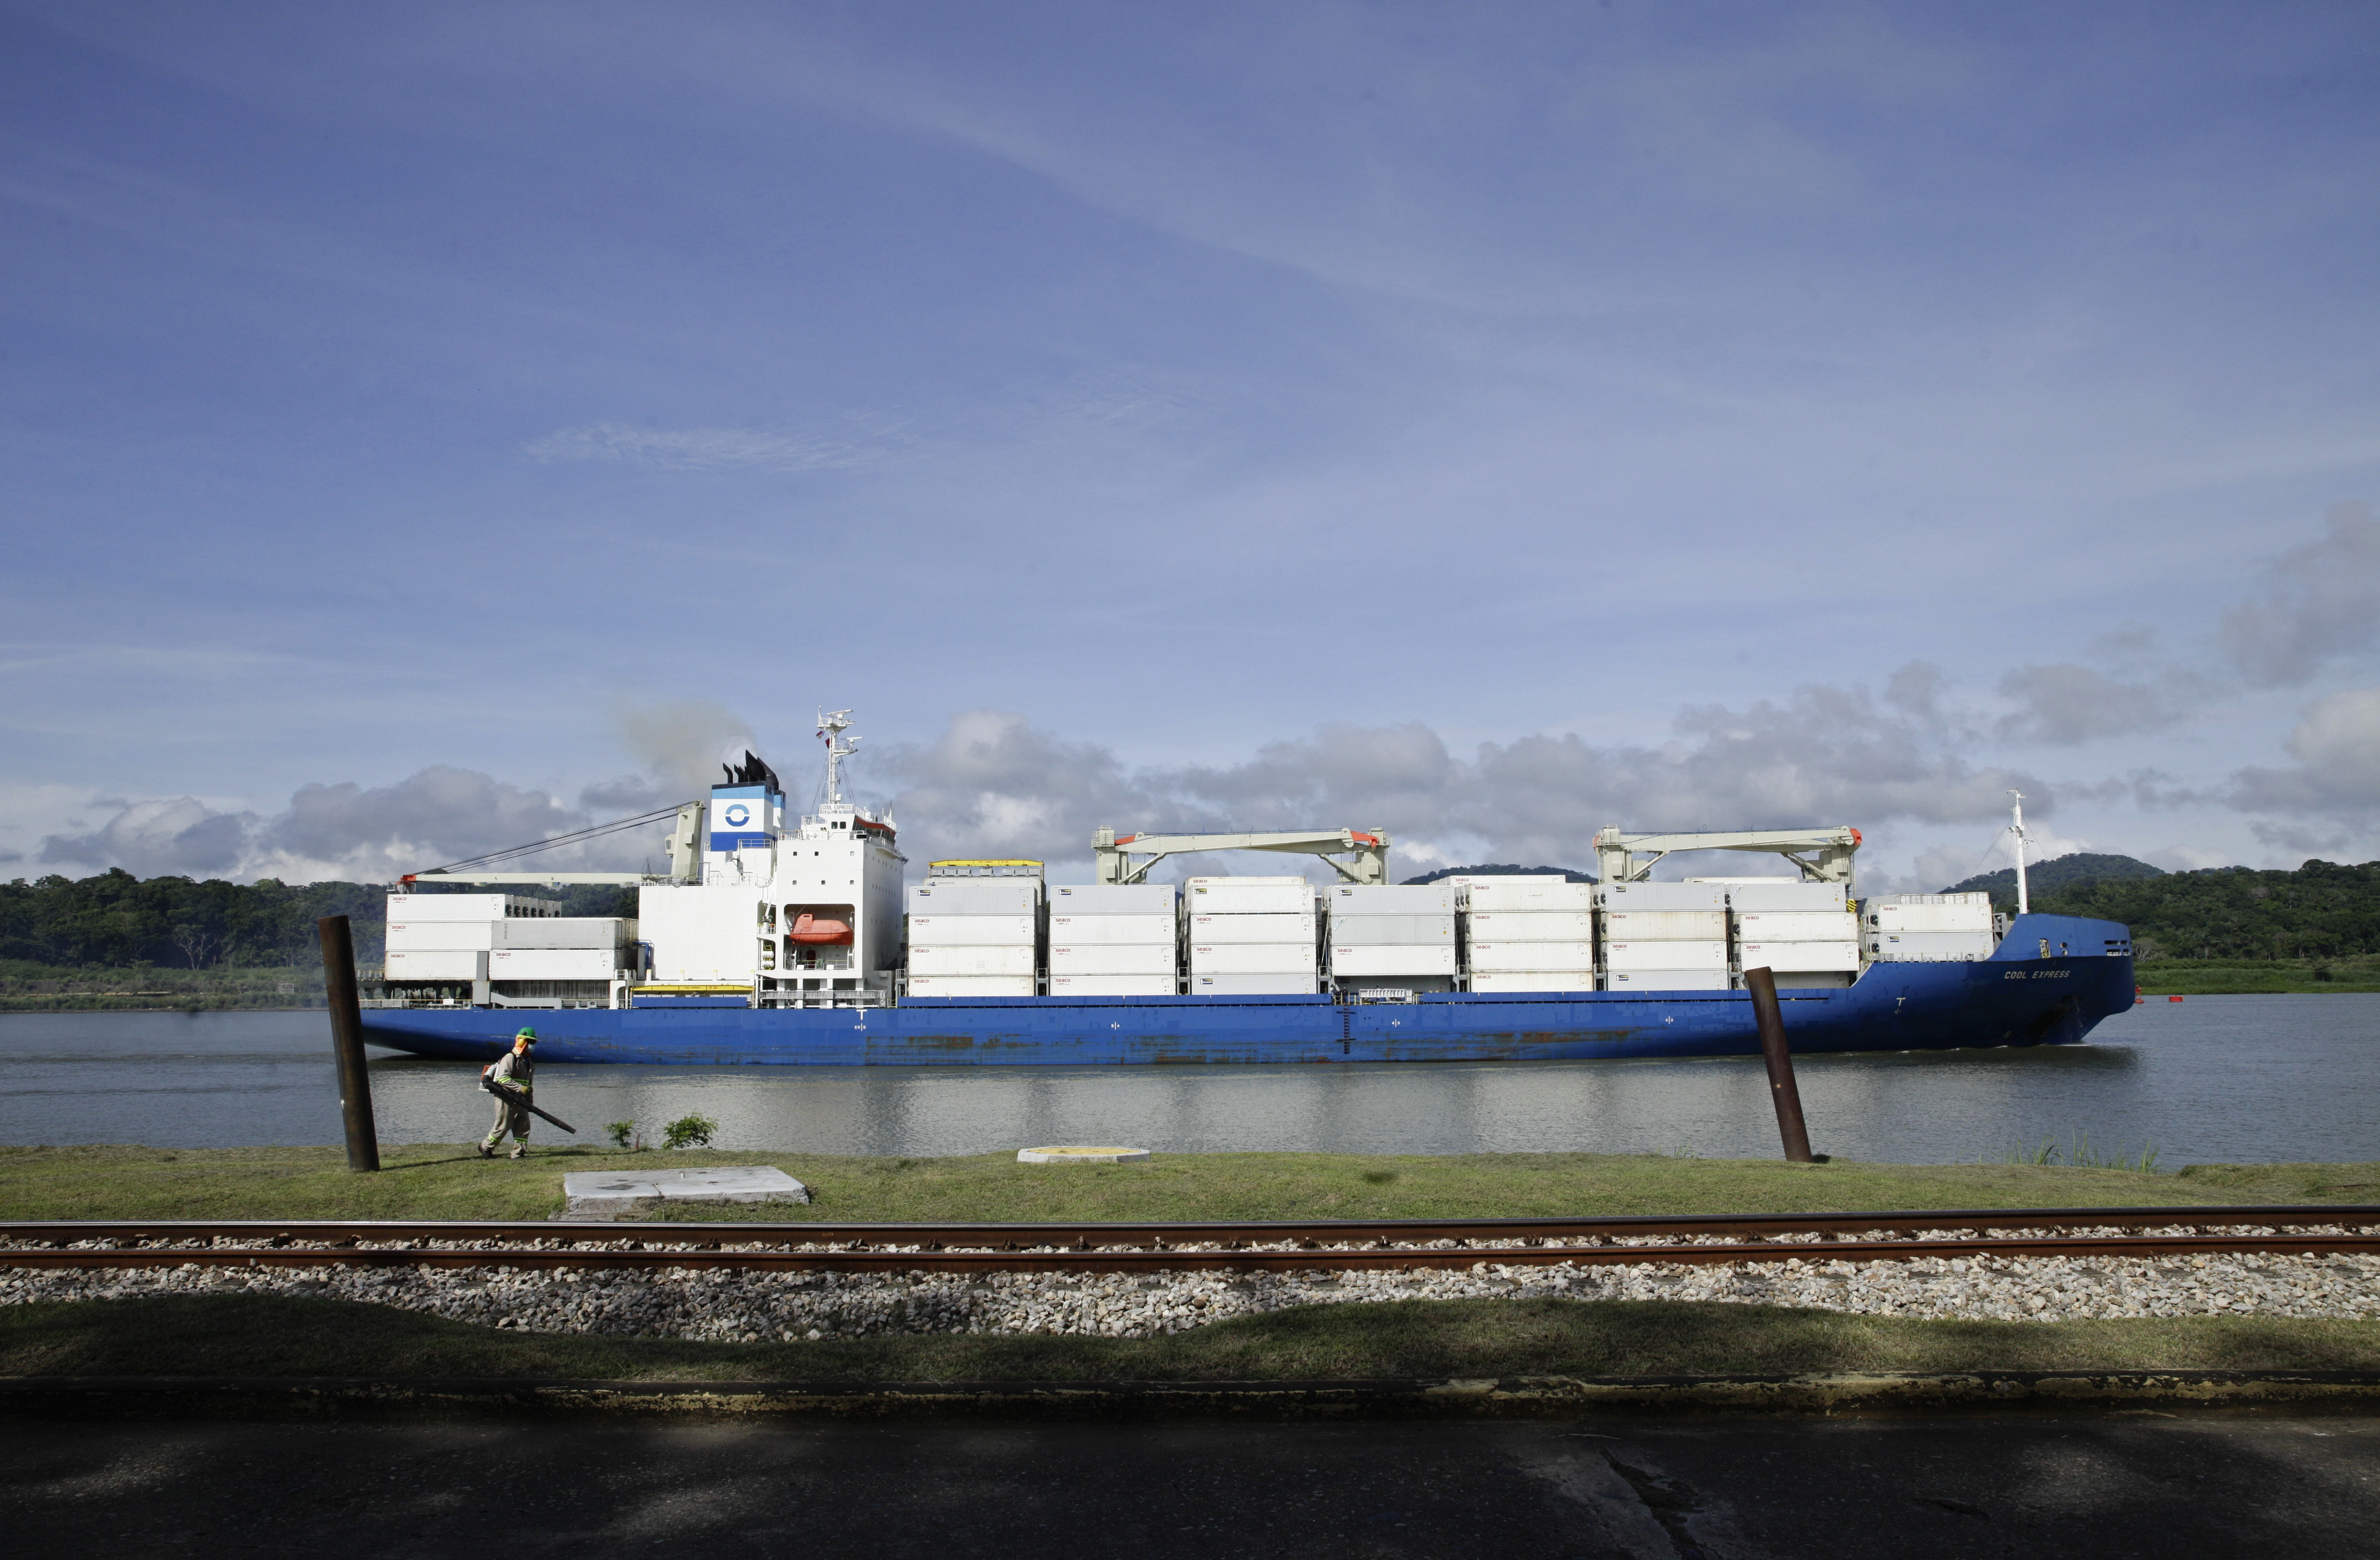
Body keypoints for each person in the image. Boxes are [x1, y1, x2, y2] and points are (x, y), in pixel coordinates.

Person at [478, 1028, 538, 1159]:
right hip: (506, 1097)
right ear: (521, 1041)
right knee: (503, 1126)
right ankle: (486, 1147)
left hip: (521, 1100)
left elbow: (529, 1086)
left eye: (534, 1042)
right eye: (529, 1042)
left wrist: (530, 1103)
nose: (532, 1045)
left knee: (523, 1126)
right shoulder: (510, 1058)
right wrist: (520, 1088)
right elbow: (503, 1078)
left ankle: (519, 1153)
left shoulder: (529, 1061)